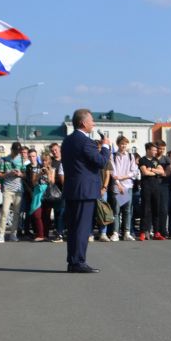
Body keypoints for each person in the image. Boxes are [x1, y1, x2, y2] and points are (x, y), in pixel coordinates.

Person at [61, 109, 110, 272]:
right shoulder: (86, 142)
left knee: (74, 228)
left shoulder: (67, 141)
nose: (93, 124)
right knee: (82, 228)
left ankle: (73, 260)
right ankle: (79, 262)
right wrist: (106, 147)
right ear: (83, 123)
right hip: (85, 191)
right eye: (91, 121)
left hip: (72, 189)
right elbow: (101, 162)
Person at [0, 142, 25, 243]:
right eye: (15, 151)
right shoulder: (4, 159)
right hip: (8, 189)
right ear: (12, 150)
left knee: (16, 213)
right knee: (4, 212)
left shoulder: (21, 160)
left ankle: (13, 234)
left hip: (18, 189)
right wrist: (8, 173)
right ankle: (1, 235)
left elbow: (25, 175)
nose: (17, 153)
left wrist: (20, 174)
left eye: (18, 151)